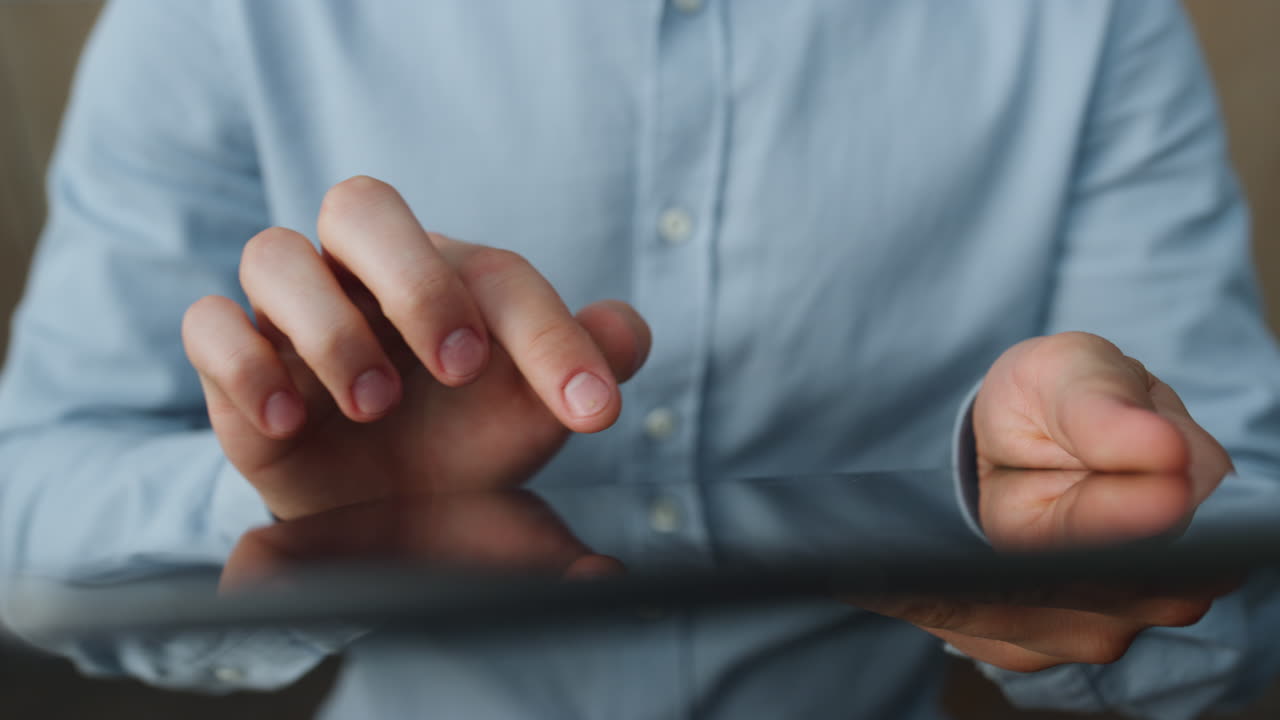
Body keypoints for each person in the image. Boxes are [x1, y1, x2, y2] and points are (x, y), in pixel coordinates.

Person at [2, 1, 1280, 718]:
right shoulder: (212, 18)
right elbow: (26, 510)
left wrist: (1111, 534)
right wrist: (294, 519)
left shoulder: (1092, 24)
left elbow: (1252, 583)